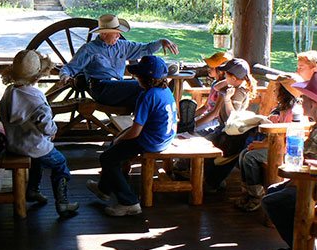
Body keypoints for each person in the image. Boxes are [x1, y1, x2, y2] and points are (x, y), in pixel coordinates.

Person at [262, 71, 317, 250]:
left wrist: (294, 184)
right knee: (275, 192)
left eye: (303, 98)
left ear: (314, 104)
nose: (301, 102)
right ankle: (299, 247)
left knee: (274, 201)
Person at [86, 55, 177, 216]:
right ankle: (103, 189)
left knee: (107, 158)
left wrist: (119, 139)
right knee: (113, 152)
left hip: (150, 141)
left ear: (143, 78)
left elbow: (135, 132)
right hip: (165, 137)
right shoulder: (165, 91)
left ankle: (129, 202)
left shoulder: (147, 96)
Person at [0, 49, 78, 218]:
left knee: (37, 163)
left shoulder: (9, 93)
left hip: (14, 144)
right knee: (60, 163)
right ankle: (63, 204)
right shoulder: (35, 97)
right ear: (37, 75)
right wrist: (53, 131)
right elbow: (46, 125)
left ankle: (32, 190)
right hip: (34, 146)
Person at [59, 14, 179, 110]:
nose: (119, 34)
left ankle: (148, 124)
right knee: (143, 85)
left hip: (118, 87)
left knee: (145, 90)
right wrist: (64, 76)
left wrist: (162, 41)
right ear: (104, 33)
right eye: (115, 32)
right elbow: (69, 68)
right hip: (101, 89)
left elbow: (145, 48)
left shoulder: (122, 46)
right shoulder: (89, 49)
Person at [235, 74, 305, 212]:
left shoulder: (294, 112)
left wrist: (262, 145)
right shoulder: (282, 109)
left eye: (277, 89)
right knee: (244, 153)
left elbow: (284, 138)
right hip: (273, 144)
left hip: (284, 150)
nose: (274, 92)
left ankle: (256, 195)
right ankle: (248, 192)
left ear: (285, 92)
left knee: (250, 157)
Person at [203, 58, 257, 191]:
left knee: (215, 157)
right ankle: (212, 181)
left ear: (234, 77)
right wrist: (228, 80)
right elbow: (216, 87)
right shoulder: (233, 85)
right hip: (224, 128)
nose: (224, 76)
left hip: (232, 132)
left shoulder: (240, 91)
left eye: (227, 74)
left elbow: (233, 114)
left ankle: (213, 183)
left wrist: (227, 99)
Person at [194, 51, 233, 134]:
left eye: (212, 67)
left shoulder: (224, 87)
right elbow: (205, 107)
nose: (208, 69)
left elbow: (215, 113)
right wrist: (189, 118)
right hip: (207, 116)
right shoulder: (215, 83)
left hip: (216, 122)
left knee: (193, 131)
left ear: (221, 70)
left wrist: (194, 125)